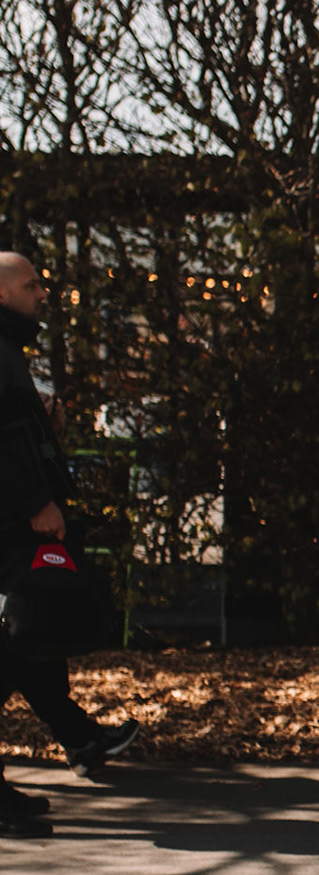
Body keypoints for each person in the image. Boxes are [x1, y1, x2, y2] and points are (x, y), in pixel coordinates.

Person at [0, 252, 138, 835]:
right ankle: (79, 739)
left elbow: (15, 430)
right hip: (13, 523)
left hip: (16, 521)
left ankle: (80, 738)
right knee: (17, 642)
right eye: (31, 284)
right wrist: (38, 501)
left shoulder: (9, 349)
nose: (43, 293)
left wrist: (47, 427)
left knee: (24, 640)